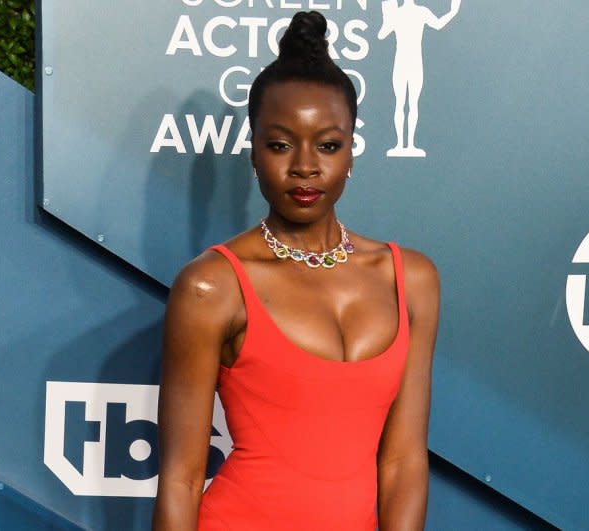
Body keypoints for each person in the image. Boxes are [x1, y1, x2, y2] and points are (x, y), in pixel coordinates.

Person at [153, 11, 439, 530]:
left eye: (328, 145)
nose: (305, 167)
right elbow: (180, 478)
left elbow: (402, 465)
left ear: (352, 151)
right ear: (253, 152)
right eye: (280, 144)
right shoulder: (212, 286)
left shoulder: (410, 279)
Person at [378, 0, 461, 157]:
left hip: (414, 64)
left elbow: (438, 24)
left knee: (412, 104)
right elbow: (382, 34)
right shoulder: (397, 13)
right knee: (401, 104)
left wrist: (453, 12)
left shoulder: (421, 12)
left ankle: (409, 144)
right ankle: (400, 144)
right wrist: (386, 16)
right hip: (402, 64)